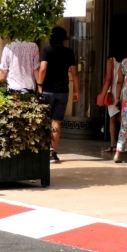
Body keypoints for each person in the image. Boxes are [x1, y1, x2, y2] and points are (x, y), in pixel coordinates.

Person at [36, 26, 78, 164]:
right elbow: (74, 73)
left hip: (47, 90)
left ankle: (44, 150)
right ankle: (53, 152)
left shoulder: (47, 50)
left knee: (45, 121)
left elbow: (42, 69)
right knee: (56, 121)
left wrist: (39, 85)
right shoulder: (69, 52)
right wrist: (77, 90)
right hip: (63, 91)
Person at [99, 54, 122, 155]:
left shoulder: (111, 61)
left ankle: (113, 145)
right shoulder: (126, 60)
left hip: (113, 92)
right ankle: (125, 145)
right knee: (124, 120)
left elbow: (108, 79)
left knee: (112, 119)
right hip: (125, 91)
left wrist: (102, 95)